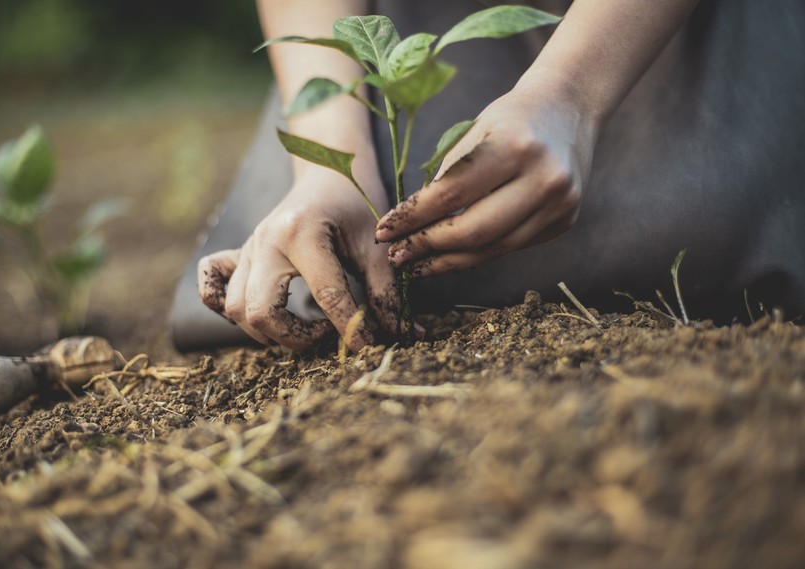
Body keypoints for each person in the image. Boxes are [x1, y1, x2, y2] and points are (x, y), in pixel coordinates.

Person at [169, 0, 805, 353]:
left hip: (648, 29)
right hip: (395, 33)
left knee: (697, 219)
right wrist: (331, 158)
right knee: (313, 260)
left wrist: (572, 92)